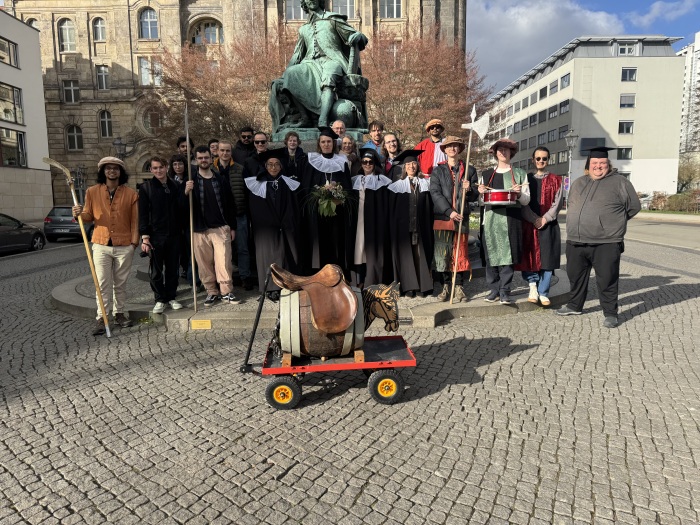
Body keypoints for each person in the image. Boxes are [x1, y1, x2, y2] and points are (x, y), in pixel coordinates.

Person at [556, 146, 641, 328]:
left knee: (607, 279)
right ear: (589, 164)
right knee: (575, 276)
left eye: (602, 163)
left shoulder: (620, 182)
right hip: (576, 240)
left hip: (606, 242)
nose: (598, 166)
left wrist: (613, 223)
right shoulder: (578, 182)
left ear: (608, 164)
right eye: (595, 162)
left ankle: (610, 313)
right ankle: (574, 306)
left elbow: (634, 207)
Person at [72, 156, 138, 335]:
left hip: (124, 245)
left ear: (120, 172)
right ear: (103, 171)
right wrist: (78, 213)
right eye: (108, 168)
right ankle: (102, 317)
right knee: (101, 283)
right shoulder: (92, 191)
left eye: (115, 168)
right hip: (100, 244)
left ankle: (119, 313)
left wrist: (134, 243)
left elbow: (135, 221)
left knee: (120, 284)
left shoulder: (131, 194)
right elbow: (88, 216)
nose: (112, 171)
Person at [184, 146, 240, 307]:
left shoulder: (220, 179)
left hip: (220, 227)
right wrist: (186, 192)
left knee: (224, 261)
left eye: (206, 157)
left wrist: (232, 226)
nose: (203, 160)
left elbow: (230, 204)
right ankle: (211, 292)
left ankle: (226, 291)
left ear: (211, 158)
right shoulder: (191, 181)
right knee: (204, 264)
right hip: (199, 229)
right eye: (200, 158)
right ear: (196, 160)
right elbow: (181, 208)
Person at [477, 139, 530, 304]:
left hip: (511, 220)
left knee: (508, 256)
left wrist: (519, 193)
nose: (503, 152)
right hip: (490, 219)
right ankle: (494, 290)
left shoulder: (519, 173)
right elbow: (480, 202)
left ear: (511, 152)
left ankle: (505, 291)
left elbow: (526, 200)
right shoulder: (486, 175)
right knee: (490, 256)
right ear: (495, 153)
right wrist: (480, 193)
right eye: (499, 149)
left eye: (506, 149)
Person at [245, 148, 302, 301]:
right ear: (265, 166)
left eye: (277, 164)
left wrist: (286, 222)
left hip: (285, 226)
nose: (273, 167)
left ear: (281, 166)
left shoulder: (287, 183)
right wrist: (270, 222)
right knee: (268, 256)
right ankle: (270, 288)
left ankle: (286, 284)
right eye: (270, 164)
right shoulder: (258, 184)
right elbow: (256, 210)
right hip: (266, 229)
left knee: (286, 255)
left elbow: (292, 207)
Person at [299, 127, 353, 277]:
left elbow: (347, 186)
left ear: (333, 143)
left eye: (329, 141)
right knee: (319, 241)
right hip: (317, 213)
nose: (326, 144)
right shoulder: (311, 161)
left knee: (336, 240)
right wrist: (318, 196)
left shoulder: (341, 161)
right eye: (323, 142)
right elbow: (306, 187)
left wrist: (339, 197)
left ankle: (337, 273)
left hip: (338, 211)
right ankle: (318, 274)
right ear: (319, 143)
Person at [430, 137, 477, 302]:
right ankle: (445, 286)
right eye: (448, 146)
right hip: (443, 217)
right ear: (444, 149)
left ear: (459, 148)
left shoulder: (470, 170)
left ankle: (459, 286)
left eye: (455, 146)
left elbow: (475, 195)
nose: (452, 148)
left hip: (461, 217)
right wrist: (448, 211)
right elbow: (435, 193)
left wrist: (469, 190)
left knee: (460, 253)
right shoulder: (438, 171)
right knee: (443, 254)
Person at [516, 147, 563, 306]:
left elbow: (557, 203)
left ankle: (544, 292)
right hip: (529, 224)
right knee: (529, 256)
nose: (541, 161)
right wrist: (534, 219)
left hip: (549, 225)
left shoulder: (557, 180)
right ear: (533, 160)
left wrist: (545, 219)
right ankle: (532, 287)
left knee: (548, 258)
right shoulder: (526, 179)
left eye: (544, 158)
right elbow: (523, 203)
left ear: (548, 160)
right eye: (538, 158)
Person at [139, 156, 185, 314]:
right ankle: (159, 299)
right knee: (156, 270)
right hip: (156, 235)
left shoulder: (175, 186)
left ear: (166, 167)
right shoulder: (146, 188)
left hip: (174, 234)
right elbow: (143, 214)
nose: (158, 170)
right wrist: (145, 237)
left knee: (173, 268)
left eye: (161, 167)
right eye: (155, 168)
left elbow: (181, 208)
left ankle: (171, 296)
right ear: (151, 170)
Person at [388, 150, 434, 297]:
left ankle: (422, 286)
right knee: (406, 256)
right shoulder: (397, 187)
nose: (411, 166)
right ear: (404, 167)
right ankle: (409, 287)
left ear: (418, 166)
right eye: (408, 164)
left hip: (422, 226)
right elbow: (392, 211)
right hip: (403, 227)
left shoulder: (425, 184)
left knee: (420, 254)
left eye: (414, 163)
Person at [214, 140, 253, 290]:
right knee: (221, 251)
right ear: (218, 151)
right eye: (222, 150)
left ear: (231, 152)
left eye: (228, 150)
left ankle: (245, 276)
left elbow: (247, 192)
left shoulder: (240, 169)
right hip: (219, 217)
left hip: (239, 214)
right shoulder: (211, 169)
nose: (225, 153)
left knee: (242, 248)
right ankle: (223, 279)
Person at [351, 148, 392, 287]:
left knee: (373, 251)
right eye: (364, 162)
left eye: (370, 162)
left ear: (375, 164)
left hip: (375, 221)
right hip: (358, 220)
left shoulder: (382, 181)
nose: (367, 164)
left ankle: (373, 281)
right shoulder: (355, 180)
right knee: (359, 248)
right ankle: (359, 280)